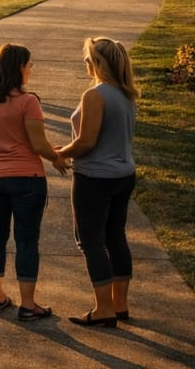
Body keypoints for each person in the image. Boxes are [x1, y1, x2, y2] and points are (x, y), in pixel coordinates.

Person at [0, 44, 69, 321]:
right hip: (26, 178)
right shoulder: (28, 102)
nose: (31, 69)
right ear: (19, 68)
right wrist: (57, 158)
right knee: (26, 240)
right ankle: (28, 305)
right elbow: (38, 145)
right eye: (29, 64)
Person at [56, 37, 140, 328]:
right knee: (116, 236)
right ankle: (120, 305)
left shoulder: (96, 95)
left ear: (97, 63)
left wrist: (58, 154)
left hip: (95, 177)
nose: (85, 64)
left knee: (91, 240)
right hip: (123, 174)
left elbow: (86, 142)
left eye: (87, 59)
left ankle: (103, 309)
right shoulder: (126, 93)